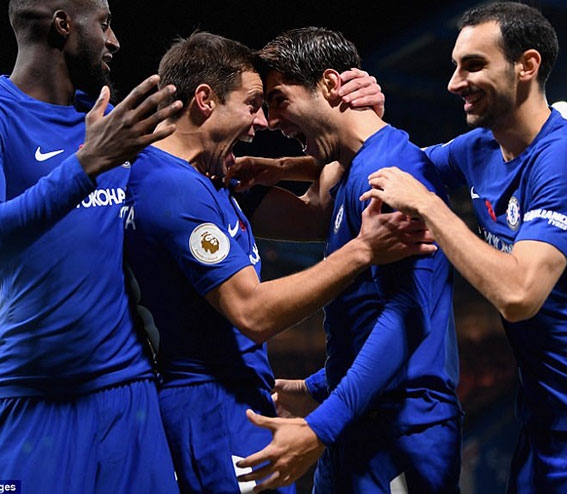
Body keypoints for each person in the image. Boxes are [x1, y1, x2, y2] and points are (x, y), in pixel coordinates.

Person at [360, 1, 567, 493]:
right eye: (455, 66)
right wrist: (303, 154)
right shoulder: (479, 149)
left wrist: (432, 209)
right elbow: (387, 166)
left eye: (474, 65)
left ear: (527, 66)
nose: (454, 82)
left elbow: (520, 294)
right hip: (541, 419)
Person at [122, 31, 422, 494]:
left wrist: (354, 120)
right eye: (253, 103)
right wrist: (363, 249)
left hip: (235, 400)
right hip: (210, 406)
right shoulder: (172, 188)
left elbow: (322, 214)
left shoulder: (208, 178)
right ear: (205, 99)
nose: (262, 121)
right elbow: (253, 313)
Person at [0, 0, 183, 492]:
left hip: (129, 394)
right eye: (105, 23)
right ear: (63, 25)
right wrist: (85, 165)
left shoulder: (110, 122)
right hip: (31, 399)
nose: (115, 40)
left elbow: (201, 173)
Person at [235, 27, 463, 493]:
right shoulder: (352, 170)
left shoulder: (395, 172)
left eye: (279, 99)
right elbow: (364, 313)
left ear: (331, 85)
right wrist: (312, 390)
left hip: (400, 433)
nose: (272, 120)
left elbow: (407, 314)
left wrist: (322, 424)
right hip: (356, 423)